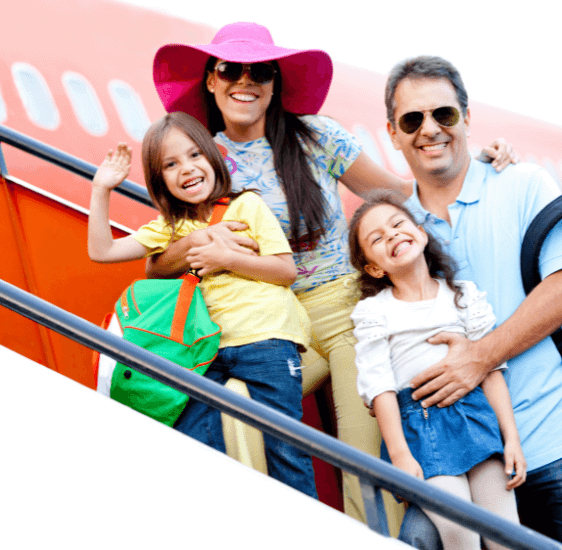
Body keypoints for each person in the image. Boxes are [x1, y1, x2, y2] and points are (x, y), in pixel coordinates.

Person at [148, 22, 518, 530]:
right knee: (236, 413)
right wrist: (193, 245)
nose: (245, 81)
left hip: (343, 311)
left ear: (274, 83)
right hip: (274, 326)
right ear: (211, 80)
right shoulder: (202, 157)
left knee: (360, 452)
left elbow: (399, 192)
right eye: (230, 69)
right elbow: (160, 256)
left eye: (259, 71)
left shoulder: (316, 136)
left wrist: (473, 165)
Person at [383, 56, 562, 549]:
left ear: (467, 119)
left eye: (443, 115)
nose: (430, 130)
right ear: (392, 132)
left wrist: (479, 357)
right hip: (464, 463)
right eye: (413, 120)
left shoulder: (522, 183)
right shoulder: (396, 227)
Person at [87, 112, 316, 499]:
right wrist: (102, 190)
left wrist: (226, 260)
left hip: (267, 341)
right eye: (171, 165)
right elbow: (102, 250)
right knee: (195, 437)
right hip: (207, 350)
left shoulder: (247, 207)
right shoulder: (168, 228)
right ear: (160, 181)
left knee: (286, 449)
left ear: (213, 158)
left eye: (195, 155)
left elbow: (284, 270)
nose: (187, 169)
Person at [348, 191, 525, 550]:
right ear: (374, 268)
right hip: (421, 427)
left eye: (397, 224)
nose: (392, 235)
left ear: (421, 233)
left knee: (505, 530)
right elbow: (379, 387)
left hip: (475, 416)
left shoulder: (462, 295)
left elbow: (491, 370)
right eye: (377, 239)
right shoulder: (375, 313)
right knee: (459, 529)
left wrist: (512, 439)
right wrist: (399, 454)